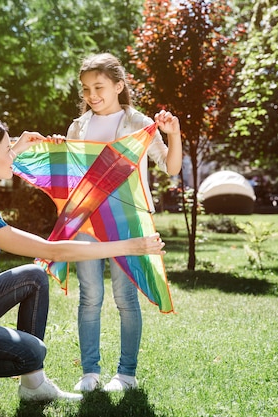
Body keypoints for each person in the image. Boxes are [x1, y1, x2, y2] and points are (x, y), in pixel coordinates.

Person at [0, 117, 166, 415]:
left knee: (34, 277)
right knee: (31, 350)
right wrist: (128, 247)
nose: (12, 152)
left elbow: (1, 161)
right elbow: (49, 250)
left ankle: (33, 385)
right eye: (7, 147)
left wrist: (19, 145)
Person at [65, 52, 182, 392]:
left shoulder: (139, 123)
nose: (91, 95)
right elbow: (73, 175)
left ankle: (126, 375)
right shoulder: (79, 126)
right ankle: (90, 372)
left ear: (119, 85)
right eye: (86, 89)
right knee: (90, 296)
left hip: (128, 222)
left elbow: (170, 167)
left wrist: (173, 135)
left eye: (98, 87)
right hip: (87, 220)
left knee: (125, 298)